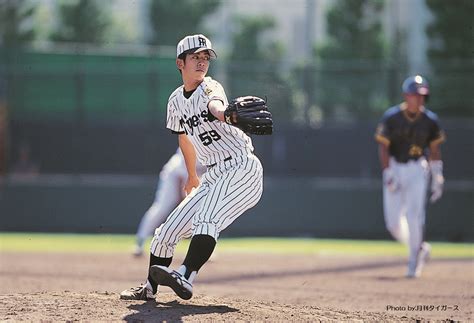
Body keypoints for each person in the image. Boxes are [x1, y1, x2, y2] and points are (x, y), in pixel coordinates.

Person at [120, 34, 266, 301]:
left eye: (205, 57)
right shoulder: (175, 100)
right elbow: (183, 137)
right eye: (196, 57)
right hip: (212, 173)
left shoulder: (210, 87)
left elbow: (216, 106)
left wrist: (226, 115)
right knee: (168, 231)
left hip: (242, 168)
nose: (202, 62)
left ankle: (186, 276)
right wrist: (190, 175)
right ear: (180, 63)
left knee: (206, 218)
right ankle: (150, 288)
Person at [374, 75, 446, 278]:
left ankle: (414, 260)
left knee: (414, 217)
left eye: (423, 95)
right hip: (395, 166)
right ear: (407, 95)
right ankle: (419, 246)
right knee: (393, 224)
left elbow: (434, 149)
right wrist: (387, 172)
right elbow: (383, 147)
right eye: (416, 95)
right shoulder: (392, 117)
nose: (420, 99)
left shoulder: (430, 120)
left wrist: (437, 175)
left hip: (417, 169)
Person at [133, 148, 206, 257]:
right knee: (162, 208)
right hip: (175, 174)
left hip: (197, 177)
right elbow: (185, 174)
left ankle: (203, 249)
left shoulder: (222, 145)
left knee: (204, 210)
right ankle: (140, 242)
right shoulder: (194, 139)